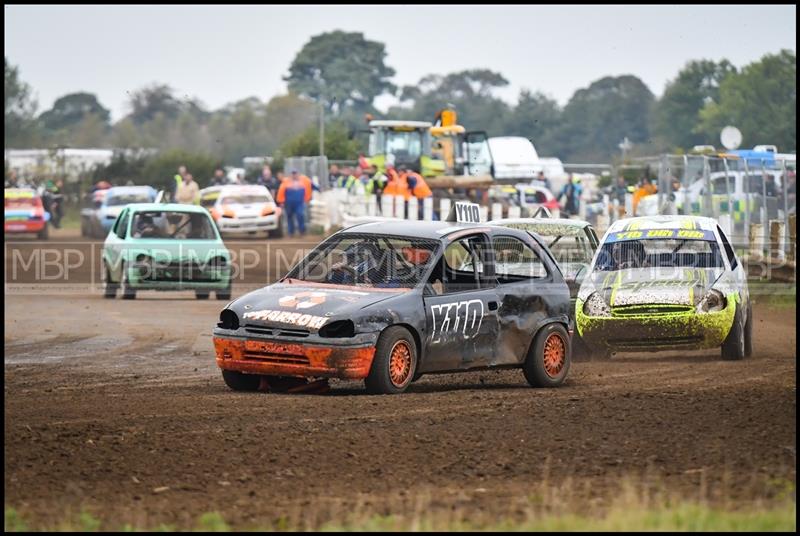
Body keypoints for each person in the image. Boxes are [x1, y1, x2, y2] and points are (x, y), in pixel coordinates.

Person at [276, 170, 308, 236]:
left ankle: (302, 230)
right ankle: (291, 232)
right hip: (289, 203)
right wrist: (281, 202)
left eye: (295, 173)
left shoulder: (303, 182)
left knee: (300, 214)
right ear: (291, 175)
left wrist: (307, 199)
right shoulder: (286, 182)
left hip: (299, 203)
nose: (294, 175)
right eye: (293, 174)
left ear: (298, 174)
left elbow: (309, 188)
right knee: (289, 217)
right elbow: (281, 192)